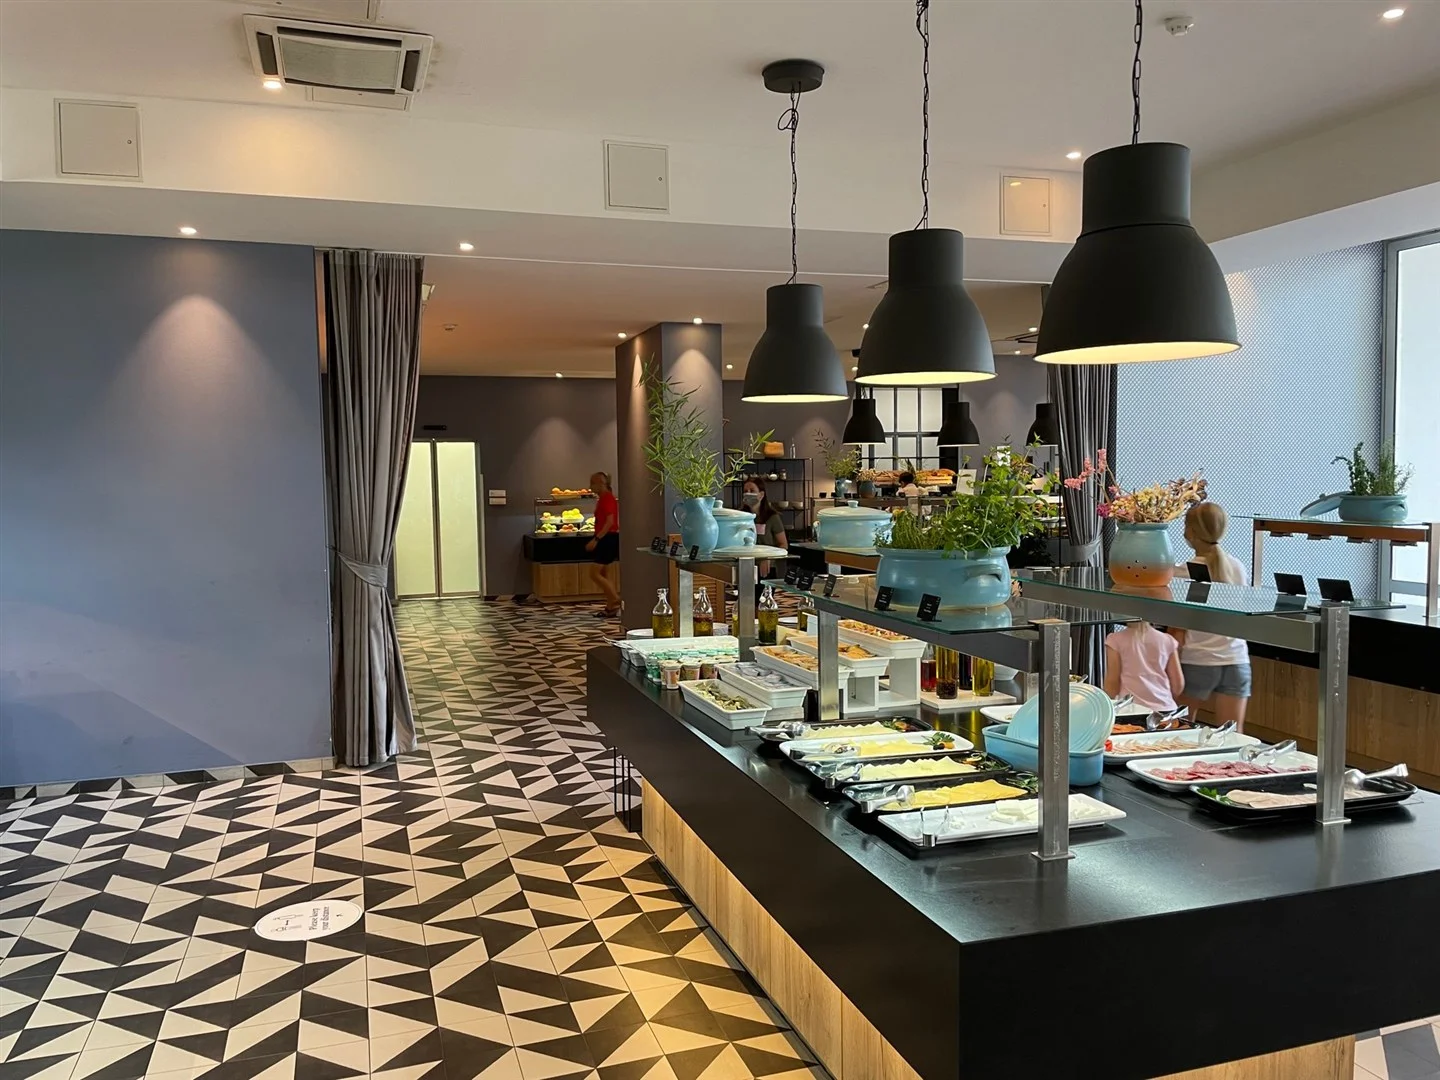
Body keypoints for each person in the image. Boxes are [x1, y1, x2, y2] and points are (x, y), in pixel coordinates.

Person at [1174, 502, 1252, 728]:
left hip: (1197, 660)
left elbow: (1177, 626)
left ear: (1190, 532)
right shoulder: (1237, 567)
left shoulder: (1182, 572)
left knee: (1180, 731)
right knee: (1233, 736)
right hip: (1236, 659)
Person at [1104, 620, 1184, 713]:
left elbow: (1113, 683)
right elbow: (1178, 684)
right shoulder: (1167, 640)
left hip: (1131, 709)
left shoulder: (1115, 640)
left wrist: (1109, 703)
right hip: (1165, 708)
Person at [586, 471, 621, 617]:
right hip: (606, 538)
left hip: (607, 539)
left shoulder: (607, 498)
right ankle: (611, 606)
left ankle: (616, 599)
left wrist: (596, 540)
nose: (590, 487)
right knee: (604, 573)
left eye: (592, 483)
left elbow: (610, 522)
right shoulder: (603, 499)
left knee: (594, 573)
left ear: (601, 483)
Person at [741, 478, 787, 579]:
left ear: (761, 495)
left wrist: (768, 558)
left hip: (766, 569)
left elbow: (783, 544)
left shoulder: (772, 517)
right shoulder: (740, 517)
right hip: (744, 566)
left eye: (752, 491)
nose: (748, 493)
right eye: (745, 491)